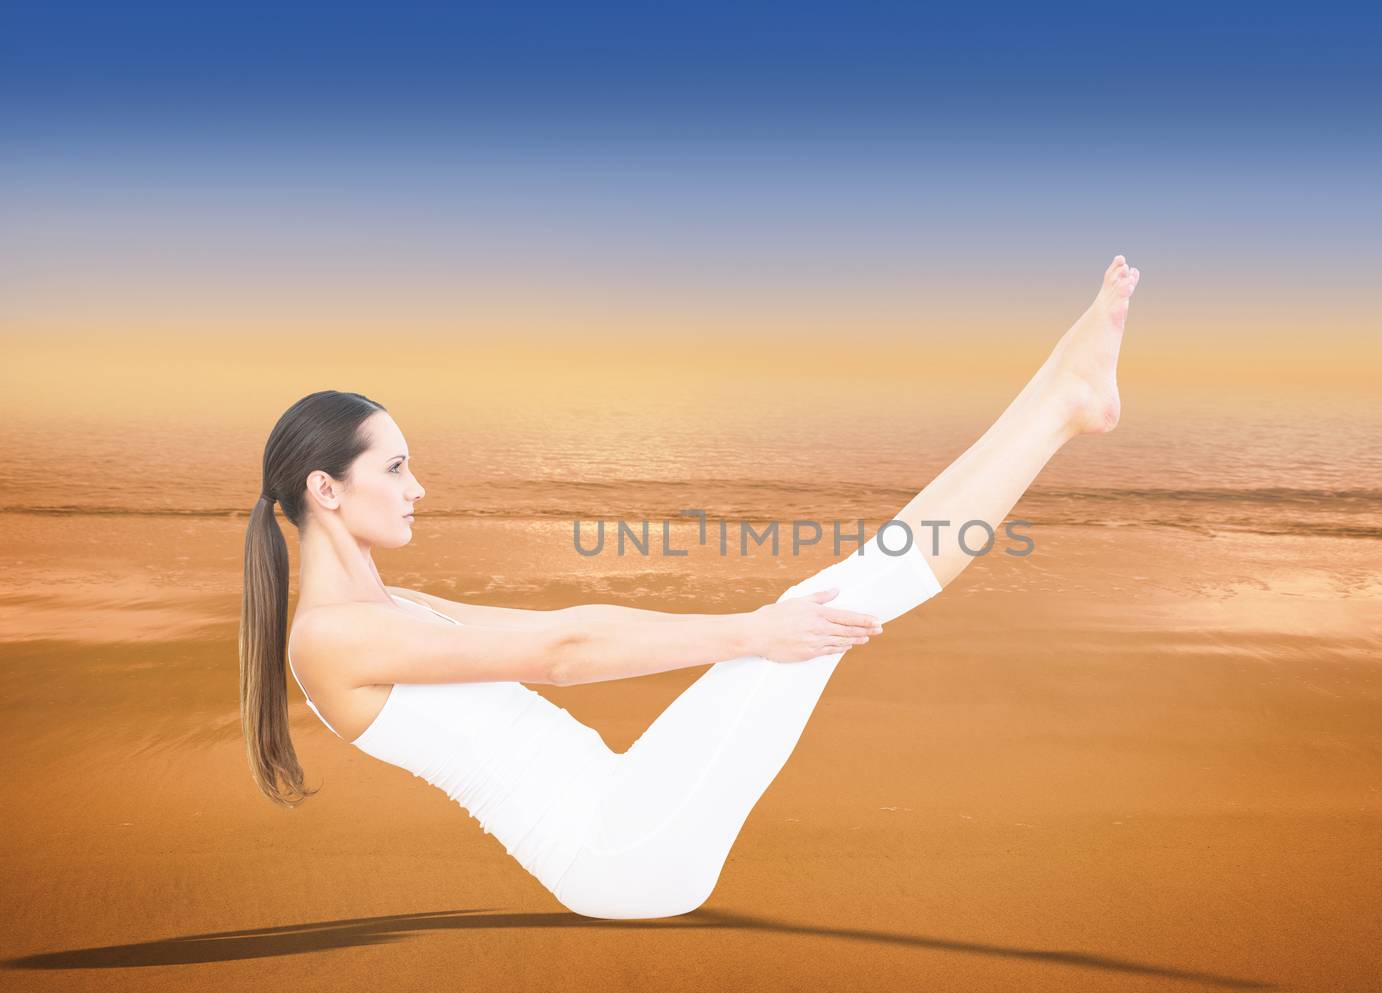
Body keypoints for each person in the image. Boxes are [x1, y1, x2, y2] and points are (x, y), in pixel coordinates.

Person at [241, 256, 1140, 920]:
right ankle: (1059, 406)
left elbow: (564, 625)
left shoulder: (389, 609)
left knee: (829, 593)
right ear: (326, 488)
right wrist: (750, 632)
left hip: (626, 810)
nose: (417, 487)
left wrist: (752, 628)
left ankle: (1058, 403)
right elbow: (561, 655)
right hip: (622, 852)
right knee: (827, 603)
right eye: (395, 468)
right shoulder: (330, 637)